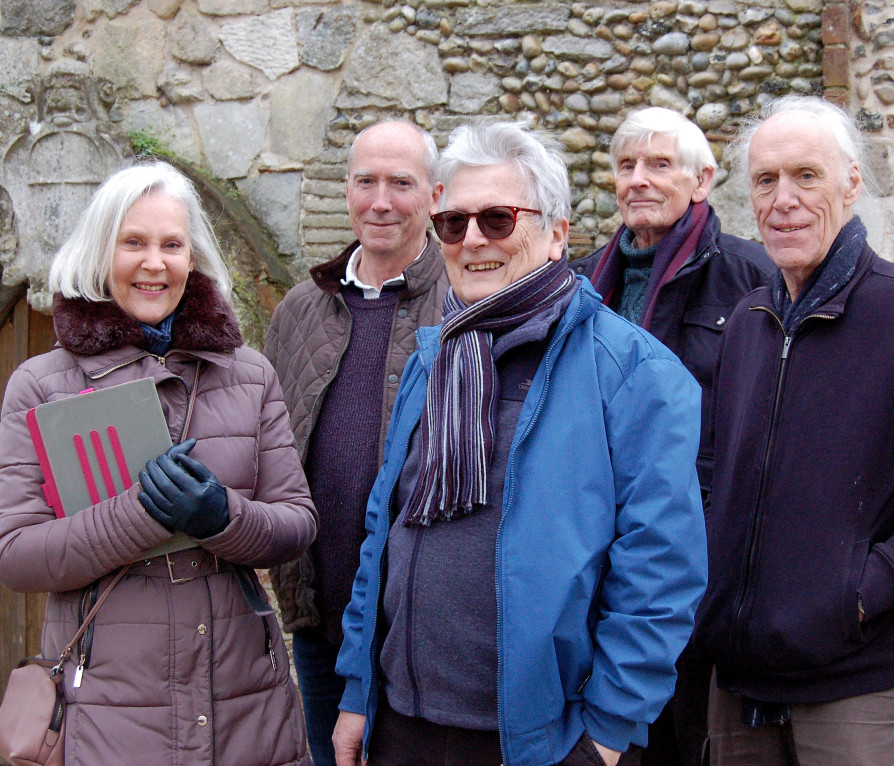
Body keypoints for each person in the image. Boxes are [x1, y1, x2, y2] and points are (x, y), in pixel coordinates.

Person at [332, 120, 707, 766]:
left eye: (498, 220)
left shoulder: (634, 374)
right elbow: (382, 535)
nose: (472, 239)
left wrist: (607, 736)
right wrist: (358, 691)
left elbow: (661, 572)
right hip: (403, 727)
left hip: (539, 741)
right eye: (453, 223)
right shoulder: (434, 360)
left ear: (557, 233)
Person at [694, 94, 894, 765]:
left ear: (852, 183)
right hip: (740, 685)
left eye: (807, 176)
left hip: (863, 691)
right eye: (766, 180)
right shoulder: (746, 323)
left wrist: (859, 595)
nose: (783, 200)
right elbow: (715, 484)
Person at [0, 161, 317, 765]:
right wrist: (140, 514)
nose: (154, 263)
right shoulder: (40, 385)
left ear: (192, 257)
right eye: (134, 243)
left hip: (244, 698)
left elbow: (296, 524)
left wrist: (221, 516)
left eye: (172, 244)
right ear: (101, 251)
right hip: (110, 710)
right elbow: (15, 554)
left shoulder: (248, 374)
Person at [573, 106, 773, 766]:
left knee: (691, 742)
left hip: (699, 562)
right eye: (626, 166)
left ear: (702, 179)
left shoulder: (754, 280)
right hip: (593, 551)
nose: (638, 180)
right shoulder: (577, 284)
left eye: (659, 165)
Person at [263, 120, 449, 766]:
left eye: (401, 183)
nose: (381, 200)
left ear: (434, 194)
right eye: (365, 181)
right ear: (345, 190)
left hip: (420, 635)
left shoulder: (464, 306)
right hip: (320, 627)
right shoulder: (298, 312)